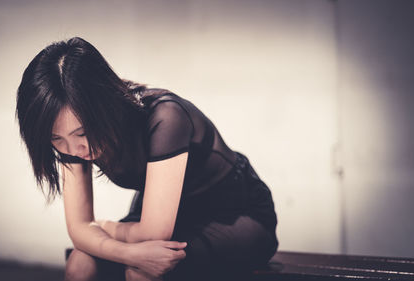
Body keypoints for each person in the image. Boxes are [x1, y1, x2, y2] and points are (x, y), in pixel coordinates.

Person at [16, 37, 278, 281]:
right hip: (157, 214)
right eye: (56, 139)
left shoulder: (166, 117)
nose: (73, 149)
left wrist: (104, 227)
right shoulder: (70, 138)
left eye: (82, 133)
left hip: (230, 212)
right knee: (79, 264)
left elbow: (152, 234)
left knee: (141, 275)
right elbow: (78, 229)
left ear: (102, 106)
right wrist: (123, 248)